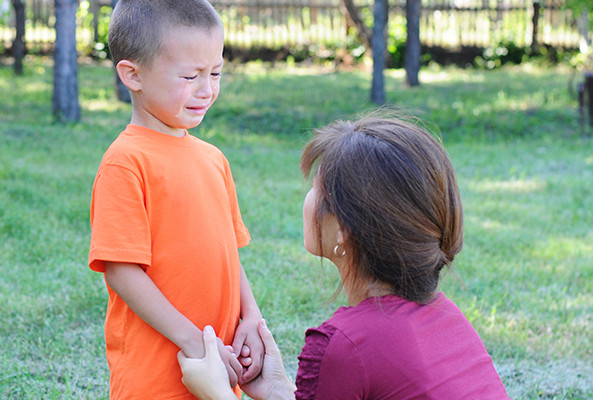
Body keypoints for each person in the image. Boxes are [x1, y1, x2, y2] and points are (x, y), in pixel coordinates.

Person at [177, 115, 510, 399]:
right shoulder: (446, 316)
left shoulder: (345, 346)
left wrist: (218, 392)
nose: (308, 200)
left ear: (343, 230)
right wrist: (278, 388)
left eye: (316, 190)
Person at [88, 0, 264, 398]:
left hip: (216, 370)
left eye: (216, 72)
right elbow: (122, 270)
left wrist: (251, 317)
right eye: (190, 76)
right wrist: (195, 343)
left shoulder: (213, 159)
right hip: (157, 378)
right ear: (132, 75)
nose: (207, 89)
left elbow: (227, 255)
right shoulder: (126, 161)